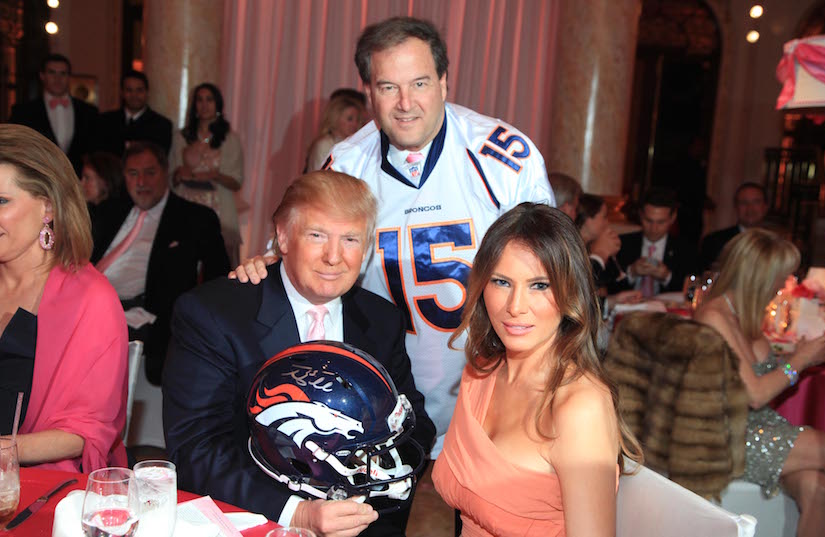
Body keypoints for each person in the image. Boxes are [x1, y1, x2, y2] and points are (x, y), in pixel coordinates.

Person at [234, 17, 554, 459]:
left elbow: (550, 281)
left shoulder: (502, 157)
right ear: (368, 91)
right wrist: (269, 262)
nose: (405, 103)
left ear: (444, 82)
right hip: (383, 402)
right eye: (388, 87)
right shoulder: (348, 163)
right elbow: (303, 259)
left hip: (491, 400)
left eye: (419, 83)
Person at [163, 170, 435, 537]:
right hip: (254, 519)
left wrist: (368, 493)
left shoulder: (381, 320)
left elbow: (414, 422)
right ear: (283, 236)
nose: (334, 257)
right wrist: (297, 513)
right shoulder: (214, 314)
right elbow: (195, 449)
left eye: (350, 239)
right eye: (317, 235)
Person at [432, 202, 642, 537]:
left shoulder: (579, 407)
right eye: (501, 282)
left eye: (539, 285)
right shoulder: (480, 371)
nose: (515, 307)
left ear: (571, 291)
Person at [695, 229, 825, 537]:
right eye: (781, 277)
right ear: (759, 277)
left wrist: (799, 356)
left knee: (820, 488)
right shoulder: (714, 317)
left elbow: (762, 380)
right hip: (723, 436)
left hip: (756, 426)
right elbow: (755, 395)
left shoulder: (742, 314)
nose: (783, 285)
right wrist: (801, 360)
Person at [0, 124, 128, 473]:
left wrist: (5, 451)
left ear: (48, 207)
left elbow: (84, 431)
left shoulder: (90, 298)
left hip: (42, 482)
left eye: (2, 201)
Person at [91, 141, 229, 385]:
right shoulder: (107, 212)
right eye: (133, 173)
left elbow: (219, 279)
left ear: (165, 172)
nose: (141, 182)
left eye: (150, 172)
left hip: (146, 319)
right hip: (91, 307)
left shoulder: (195, 218)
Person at [169, 82, 244, 264]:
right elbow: (170, 178)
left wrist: (214, 175)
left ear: (217, 104)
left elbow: (237, 181)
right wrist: (179, 175)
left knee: (218, 264)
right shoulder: (181, 137)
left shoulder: (229, 139)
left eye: (209, 100)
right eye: (200, 100)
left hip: (218, 207)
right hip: (186, 205)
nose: (204, 105)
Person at [9, 54, 99, 175]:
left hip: (78, 178)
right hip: (38, 177)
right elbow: (15, 148)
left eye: (63, 73)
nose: (58, 79)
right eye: (52, 72)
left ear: (69, 77)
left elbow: (95, 151)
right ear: (42, 76)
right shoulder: (23, 112)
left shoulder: (89, 112)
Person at [613, 187, 695, 295]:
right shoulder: (621, 243)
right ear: (641, 215)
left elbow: (692, 289)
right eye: (648, 220)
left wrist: (667, 276)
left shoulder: (686, 249)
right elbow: (607, 287)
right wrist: (631, 272)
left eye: (661, 222)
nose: (654, 228)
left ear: (672, 218)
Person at [574, 194, 640, 313]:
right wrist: (601, 254)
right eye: (604, 217)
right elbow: (579, 293)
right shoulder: (572, 247)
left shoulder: (593, 245)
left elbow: (615, 287)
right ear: (588, 219)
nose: (607, 222)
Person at [99, 70, 173, 157]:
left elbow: (159, 159)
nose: (134, 95)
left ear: (147, 93)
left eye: (139, 90)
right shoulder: (105, 121)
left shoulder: (162, 126)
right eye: (129, 90)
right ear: (122, 93)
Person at [699, 182, 768, 271]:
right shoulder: (714, 241)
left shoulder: (773, 242)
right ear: (736, 207)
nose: (750, 208)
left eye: (756, 202)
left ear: (765, 207)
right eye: (744, 202)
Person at [305, 93, 365, 172]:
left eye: (357, 120)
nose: (355, 124)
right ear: (335, 118)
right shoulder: (324, 145)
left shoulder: (354, 145)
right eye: (350, 119)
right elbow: (321, 176)